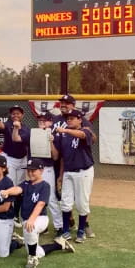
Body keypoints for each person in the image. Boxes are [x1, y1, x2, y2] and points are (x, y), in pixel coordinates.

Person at [0, 159, 74, 268]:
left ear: (41, 170)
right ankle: (59, 245)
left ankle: (32, 259)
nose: (30, 173)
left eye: (33, 170)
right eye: (28, 170)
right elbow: (17, 189)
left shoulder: (45, 186)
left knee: (31, 230)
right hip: (27, 221)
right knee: (36, 250)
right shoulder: (26, 184)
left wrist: (31, 219)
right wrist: (7, 192)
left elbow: (40, 204)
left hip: (40, 218)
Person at [52, 94, 96, 238]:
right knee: (65, 202)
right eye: (67, 119)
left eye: (72, 119)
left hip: (84, 171)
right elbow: (63, 157)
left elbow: (84, 136)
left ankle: (82, 231)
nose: (69, 121)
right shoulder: (64, 135)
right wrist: (61, 175)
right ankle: (65, 231)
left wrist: (65, 130)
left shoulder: (85, 130)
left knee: (82, 203)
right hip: (69, 172)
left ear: (79, 120)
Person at [0, 105, 30, 225]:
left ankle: (16, 214)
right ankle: (5, 212)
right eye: (13, 113)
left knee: (19, 188)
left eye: (18, 113)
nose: (15, 115)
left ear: (22, 115)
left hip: (22, 160)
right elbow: (1, 125)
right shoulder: (8, 124)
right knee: (8, 185)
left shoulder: (26, 129)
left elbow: (18, 140)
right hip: (10, 159)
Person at [30, 112, 63, 236]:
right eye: (40, 120)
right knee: (35, 198)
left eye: (45, 120)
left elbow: (55, 157)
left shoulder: (55, 136)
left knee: (51, 199)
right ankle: (41, 225)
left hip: (48, 169)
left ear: (51, 122)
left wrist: (51, 142)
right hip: (35, 170)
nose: (42, 122)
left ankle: (59, 226)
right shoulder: (34, 134)